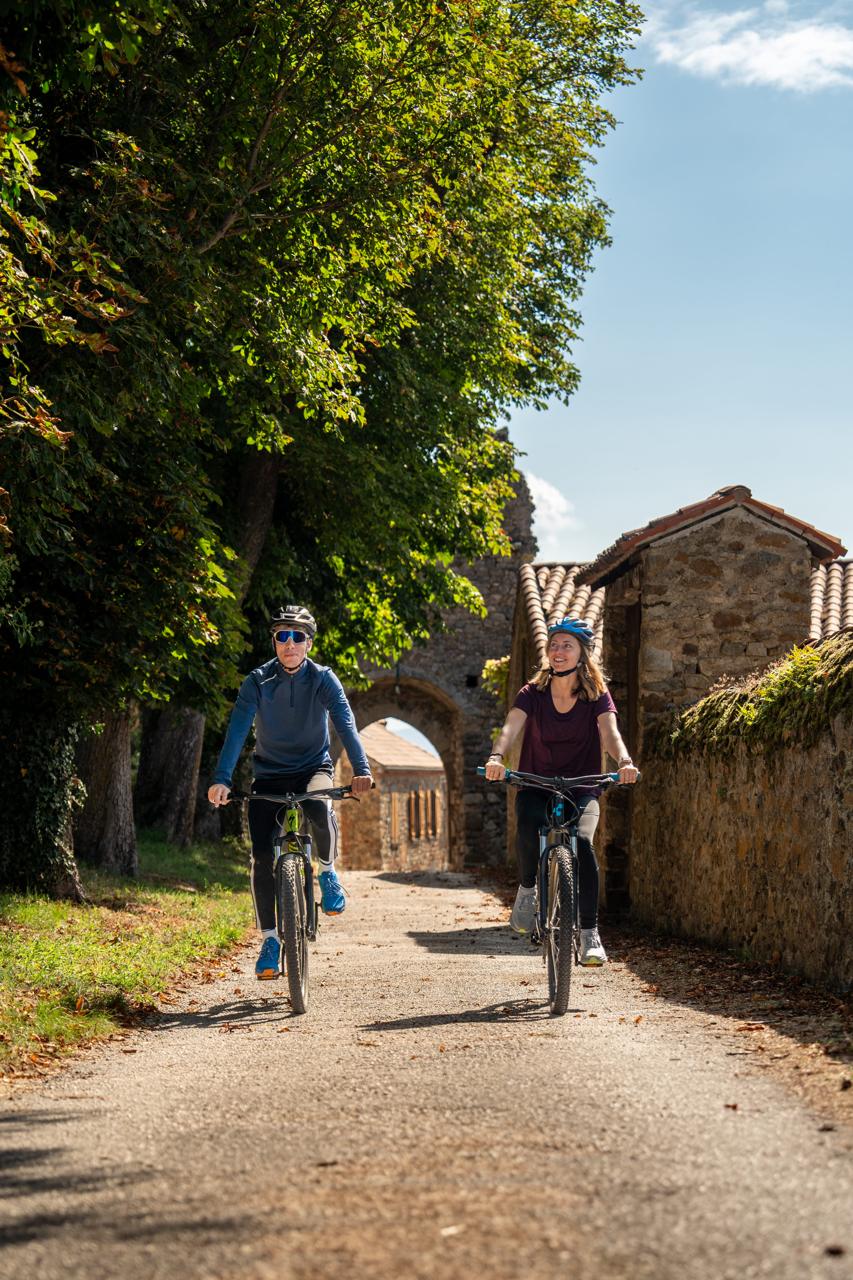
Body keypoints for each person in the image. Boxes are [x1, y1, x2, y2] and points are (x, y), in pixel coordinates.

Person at [207, 604, 373, 979]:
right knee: (262, 856)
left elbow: (346, 724)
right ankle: (269, 940)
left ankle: (328, 873)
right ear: (274, 642)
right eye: (283, 636)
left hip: (313, 768)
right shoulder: (257, 681)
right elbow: (236, 732)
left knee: (318, 802)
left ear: (309, 642)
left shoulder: (324, 679)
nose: (290, 643)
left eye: (298, 636)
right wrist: (222, 778)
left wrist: (361, 770)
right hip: (269, 775)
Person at [484, 616, 638, 965]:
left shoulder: (597, 695)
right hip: (536, 781)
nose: (558, 651)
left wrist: (624, 761)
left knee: (582, 843)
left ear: (582, 653)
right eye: (554, 644)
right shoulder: (532, 693)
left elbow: (610, 734)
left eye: (567, 645)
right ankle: (527, 890)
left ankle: (588, 934)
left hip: (583, 785)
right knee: (526, 820)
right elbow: (511, 727)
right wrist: (496, 756)